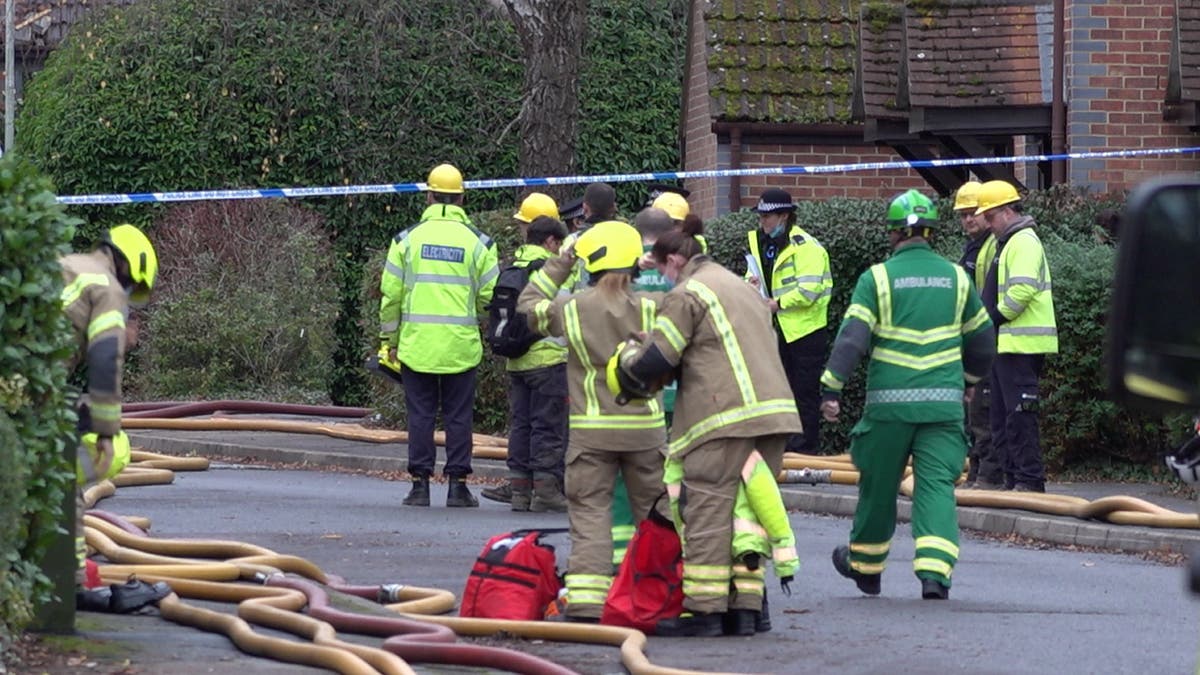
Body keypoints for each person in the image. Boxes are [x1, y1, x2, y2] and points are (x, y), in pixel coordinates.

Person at [610, 217, 803, 637]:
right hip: (774, 414)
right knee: (747, 515)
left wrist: (629, 357)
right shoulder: (741, 288)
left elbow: (658, 360)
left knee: (707, 511)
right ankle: (748, 610)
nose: (664, 277)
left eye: (663, 269)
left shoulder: (687, 293)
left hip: (722, 417)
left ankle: (706, 612)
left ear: (676, 260)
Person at [819, 189, 995, 600]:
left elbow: (852, 339)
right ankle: (934, 573)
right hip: (943, 407)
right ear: (932, 231)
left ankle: (865, 567)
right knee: (935, 486)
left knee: (879, 486)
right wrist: (969, 382)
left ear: (894, 233)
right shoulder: (956, 277)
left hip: (889, 409)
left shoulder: (876, 278)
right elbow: (984, 342)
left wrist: (832, 388)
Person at [517, 220, 668, 623]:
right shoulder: (654, 305)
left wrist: (561, 262)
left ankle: (586, 601)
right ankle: (662, 596)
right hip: (646, 433)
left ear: (590, 264)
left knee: (589, 514)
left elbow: (528, 305)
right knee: (657, 518)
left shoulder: (572, 309)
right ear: (635, 264)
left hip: (592, 433)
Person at [380, 163, 499, 508]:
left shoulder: (406, 240)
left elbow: (391, 297)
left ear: (429, 196)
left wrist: (389, 340)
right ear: (461, 197)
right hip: (461, 346)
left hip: (417, 345)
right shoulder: (480, 243)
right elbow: (490, 296)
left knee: (420, 414)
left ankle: (419, 486)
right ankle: (458, 486)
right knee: (459, 416)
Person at [61, 224, 166, 605]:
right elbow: (106, 361)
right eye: (132, 288)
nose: (128, 297)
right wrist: (105, 429)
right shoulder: (106, 287)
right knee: (87, 457)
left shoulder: (65, 265)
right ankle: (68, 582)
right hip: (22, 393)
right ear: (127, 266)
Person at [480, 215, 570, 513]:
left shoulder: (512, 266)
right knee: (548, 426)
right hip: (549, 360)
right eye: (558, 244)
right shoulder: (554, 270)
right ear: (550, 241)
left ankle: (519, 491)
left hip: (516, 361)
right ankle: (546, 491)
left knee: (521, 425)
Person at [975, 180, 1058, 493]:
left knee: (1019, 416)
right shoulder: (1010, 242)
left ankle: (1029, 481)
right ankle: (1015, 479)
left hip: (1021, 346)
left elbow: (1021, 292)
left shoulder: (1022, 241)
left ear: (1007, 211)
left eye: (991, 216)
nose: (988, 223)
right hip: (1007, 344)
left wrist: (991, 320)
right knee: (1003, 417)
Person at [746, 188, 832, 454]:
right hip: (779, 329)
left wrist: (777, 304)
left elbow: (809, 290)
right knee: (780, 392)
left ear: (784, 216)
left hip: (805, 331)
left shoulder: (805, 247)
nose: (763, 222)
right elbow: (752, 275)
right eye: (760, 216)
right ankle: (783, 448)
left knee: (804, 394)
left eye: (768, 216)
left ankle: (804, 450)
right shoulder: (762, 244)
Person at [953, 182, 1003, 490]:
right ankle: (976, 471)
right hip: (973, 337)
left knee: (984, 409)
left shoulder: (990, 247)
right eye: (963, 215)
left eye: (973, 214)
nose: (968, 220)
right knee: (973, 412)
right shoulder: (974, 247)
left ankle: (989, 474)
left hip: (986, 338)